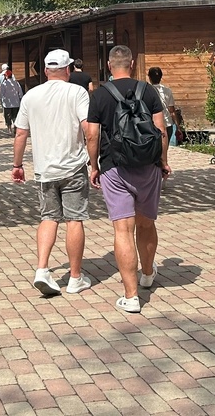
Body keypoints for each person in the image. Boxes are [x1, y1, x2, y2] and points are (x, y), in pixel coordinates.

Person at [85, 44, 170, 314]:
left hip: (115, 167)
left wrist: (94, 166)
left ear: (109, 66)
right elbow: (161, 130)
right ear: (132, 64)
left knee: (123, 229)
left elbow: (92, 135)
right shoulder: (148, 91)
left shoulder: (99, 95)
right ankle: (148, 274)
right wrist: (163, 161)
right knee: (146, 224)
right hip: (148, 166)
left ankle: (131, 296)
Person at [12, 49, 93, 296]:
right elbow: (88, 128)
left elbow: (20, 133)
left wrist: (17, 165)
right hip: (74, 166)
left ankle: (42, 269)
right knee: (74, 219)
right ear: (68, 69)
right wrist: (95, 161)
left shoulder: (31, 95)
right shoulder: (77, 92)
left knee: (48, 217)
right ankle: (75, 277)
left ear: (46, 71)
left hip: (44, 169)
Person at [147, 67, 184, 146]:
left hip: (152, 125)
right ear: (161, 77)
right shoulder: (167, 91)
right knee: (164, 149)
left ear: (149, 77)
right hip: (167, 125)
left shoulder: (147, 90)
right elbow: (172, 111)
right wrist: (178, 127)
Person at [0, 64, 24, 135]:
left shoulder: (4, 84)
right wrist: (20, 98)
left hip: (7, 104)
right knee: (15, 116)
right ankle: (15, 128)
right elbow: (20, 92)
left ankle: (9, 129)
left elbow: (1, 93)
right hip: (16, 103)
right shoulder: (16, 83)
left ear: (6, 76)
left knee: (8, 117)